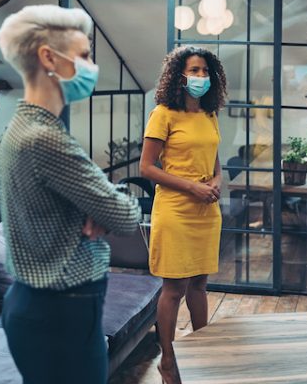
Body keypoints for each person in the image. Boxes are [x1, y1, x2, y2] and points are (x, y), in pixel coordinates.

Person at [0, 5, 142, 384]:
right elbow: (125, 217)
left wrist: (101, 201)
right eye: (84, 55)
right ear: (49, 57)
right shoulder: (46, 140)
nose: (91, 66)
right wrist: (105, 202)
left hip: (37, 306)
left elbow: (106, 204)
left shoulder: (22, 126)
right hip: (61, 312)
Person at [139, 46, 227, 384]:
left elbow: (215, 161)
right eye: (195, 70)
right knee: (174, 288)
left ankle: (201, 352)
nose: (201, 77)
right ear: (180, 75)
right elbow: (146, 167)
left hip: (207, 209)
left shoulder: (209, 114)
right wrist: (192, 188)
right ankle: (169, 361)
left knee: (200, 286)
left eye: (205, 71)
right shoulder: (163, 113)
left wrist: (216, 181)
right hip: (176, 209)